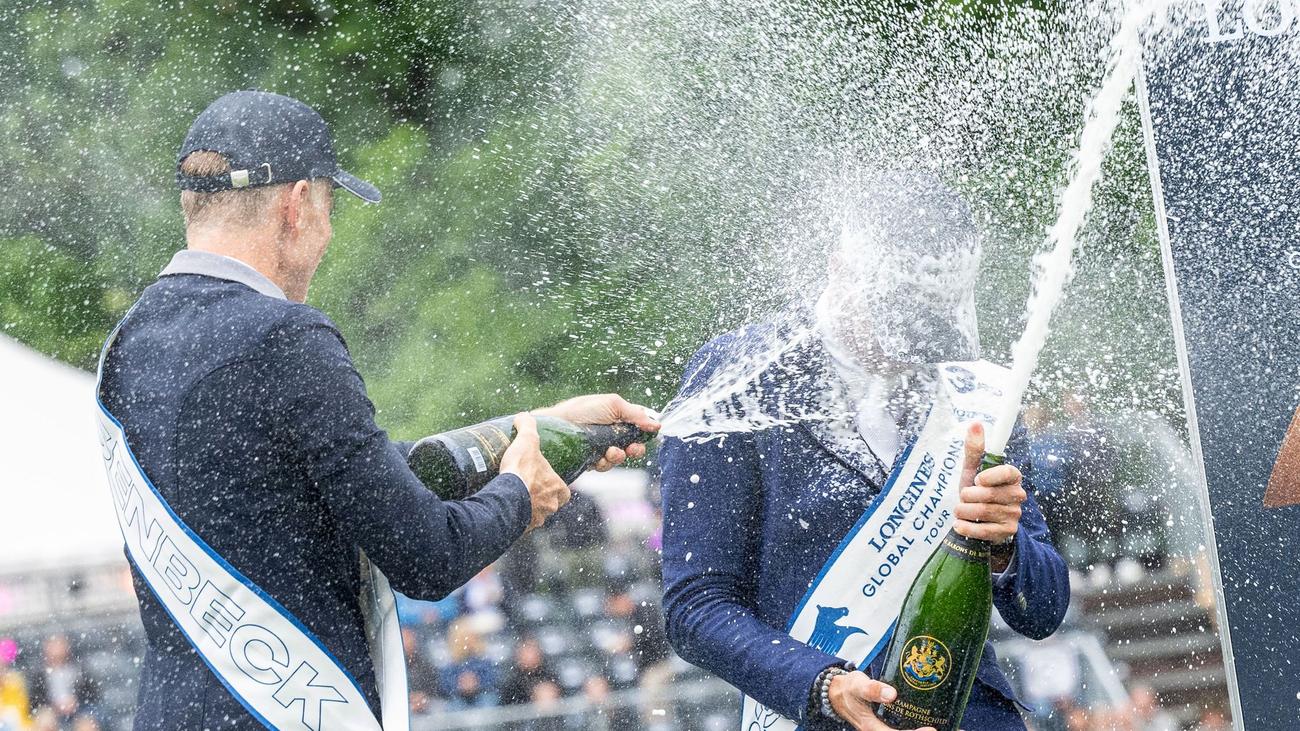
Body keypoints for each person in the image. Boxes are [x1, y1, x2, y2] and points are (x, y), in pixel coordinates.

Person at [96, 90, 658, 729]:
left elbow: (353, 475)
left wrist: (538, 426)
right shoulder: (285, 337)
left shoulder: (129, 342)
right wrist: (520, 495)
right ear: (298, 204)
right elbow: (426, 555)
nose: (327, 236)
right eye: (330, 208)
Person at [659, 173, 1069, 730]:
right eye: (895, 318)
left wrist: (1004, 547)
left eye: (929, 325)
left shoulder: (977, 394)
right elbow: (695, 606)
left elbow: (1043, 611)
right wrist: (821, 684)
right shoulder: (741, 376)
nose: (911, 348)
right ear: (840, 267)